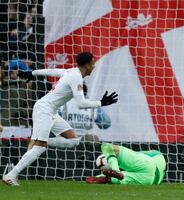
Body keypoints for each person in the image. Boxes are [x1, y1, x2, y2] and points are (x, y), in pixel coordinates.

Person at [2, 52, 118, 186]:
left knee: (73, 140)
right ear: (87, 65)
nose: (94, 66)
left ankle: (40, 142)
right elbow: (81, 103)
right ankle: (11, 175)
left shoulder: (70, 71)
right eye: (93, 63)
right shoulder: (76, 77)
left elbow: (50, 71)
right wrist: (101, 103)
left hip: (52, 111)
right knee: (39, 149)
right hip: (44, 110)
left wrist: (31, 73)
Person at [48, 82, 111, 148]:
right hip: (84, 144)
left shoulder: (62, 103)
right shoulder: (93, 105)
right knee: (92, 139)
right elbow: (106, 124)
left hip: (64, 142)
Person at [85, 143, 166, 185]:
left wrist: (97, 177)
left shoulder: (147, 154)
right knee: (108, 147)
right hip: (150, 180)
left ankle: (113, 171)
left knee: (107, 147)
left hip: (147, 174)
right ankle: (112, 174)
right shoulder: (156, 154)